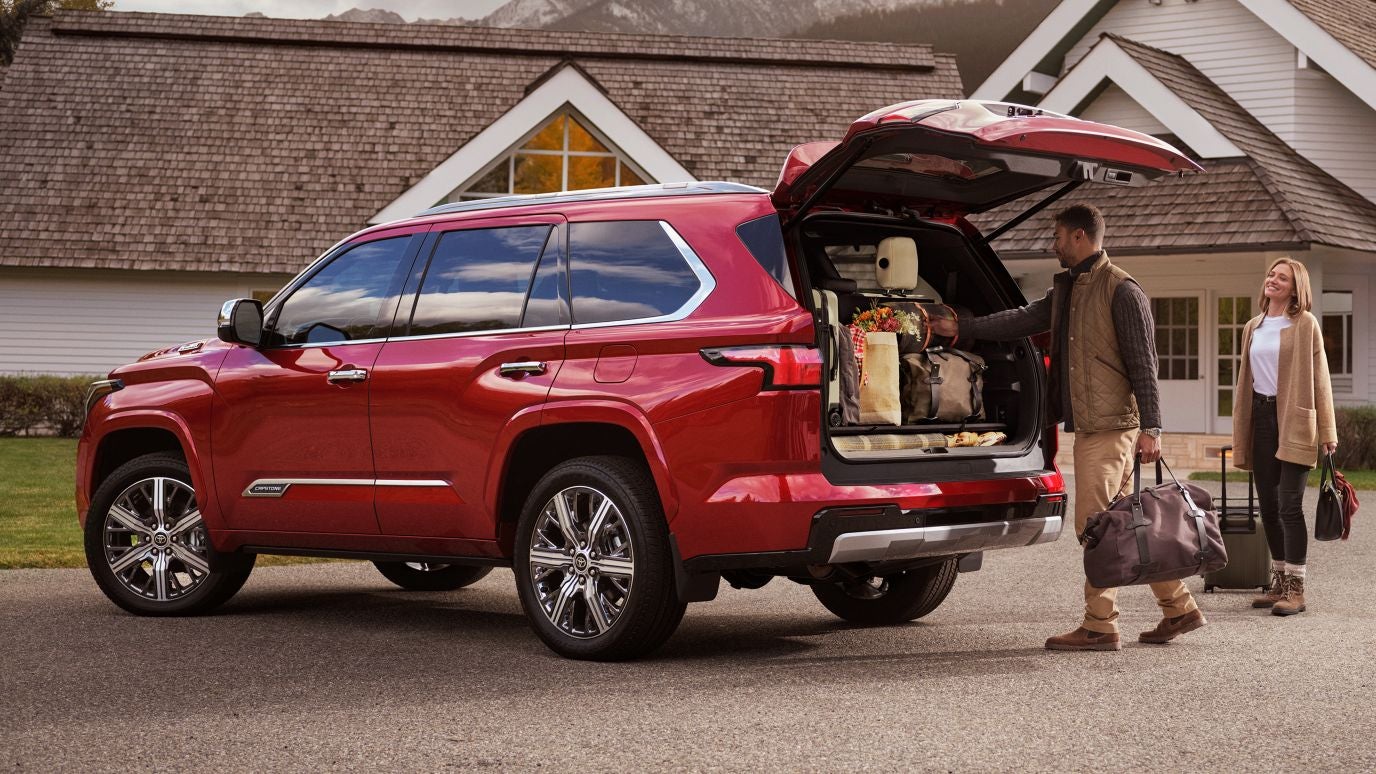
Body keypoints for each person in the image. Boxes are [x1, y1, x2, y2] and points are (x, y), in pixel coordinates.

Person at [931, 203, 1203, 651]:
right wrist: (962, 327)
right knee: (1127, 522)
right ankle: (1179, 608)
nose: (1052, 245)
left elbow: (1144, 365)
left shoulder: (1122, 289)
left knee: (1096, 527)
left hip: (1112, 428)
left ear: (1079, 236)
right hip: (1096, 426)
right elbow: (1021, 319)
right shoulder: (1069, 288)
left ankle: (1100, 625)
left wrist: (1153, 427)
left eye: (1057, 236)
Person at [1229, 257, 1338, 616]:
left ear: (1295, 288)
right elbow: (1247, 379)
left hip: (1294, 419)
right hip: (1261, 419)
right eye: (1271, 274)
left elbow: (1321, 379)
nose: (1273, 280)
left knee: (1289, 504)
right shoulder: (1253, 326)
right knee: (1269, 506)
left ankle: (1296, 589)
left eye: (1282, 278)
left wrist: (1328, 432)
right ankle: (1278, 581)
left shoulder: (1305, 324)